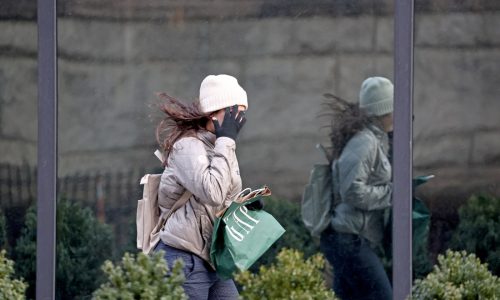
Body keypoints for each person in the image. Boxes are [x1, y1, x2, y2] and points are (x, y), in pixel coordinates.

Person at [154, 74, 248, 299]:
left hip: (213, 257)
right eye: (236, 112)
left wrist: (245, 203)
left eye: (243, 113)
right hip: (183, 257)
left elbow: (224, 199)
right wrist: (227, 140)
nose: (240, 120)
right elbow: (212, 193)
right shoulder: (188, 146)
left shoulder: (221, 146)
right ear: (215, 113)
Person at [320, 76, 394, 300]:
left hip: (352, 237)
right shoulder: (365, 141)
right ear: (384, 110)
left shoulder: (377, 138)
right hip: (348, 239)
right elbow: (352, 191)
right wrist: (392, 194)